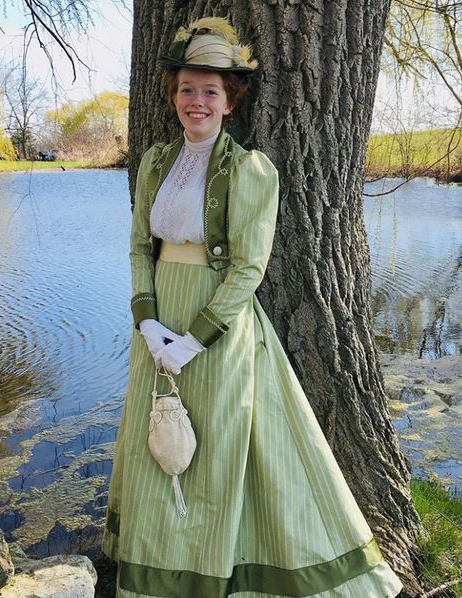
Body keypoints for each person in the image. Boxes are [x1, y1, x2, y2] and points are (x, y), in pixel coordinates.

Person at [102, 16, 403, 598]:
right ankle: (156, 577)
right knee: (157, 447)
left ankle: (217, 575)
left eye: (210, 91)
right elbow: (141, 246)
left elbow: (247, 268)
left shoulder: (249, 170)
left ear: (229, 102)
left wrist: (192, 340)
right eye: (187, 88)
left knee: (213, 451)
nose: (197, 101)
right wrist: (147, 322)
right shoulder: (155, 165)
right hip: (158, 322)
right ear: (173, 95)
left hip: (217, 327)